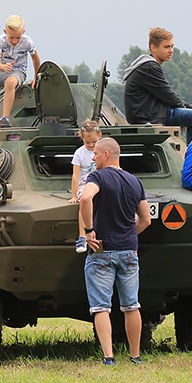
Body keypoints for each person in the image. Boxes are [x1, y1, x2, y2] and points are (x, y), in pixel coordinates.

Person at [79, 137, 152, 365]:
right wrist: (128, 236)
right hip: (129, 250)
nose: (93, 158)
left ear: (106, 155)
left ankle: (109, 357)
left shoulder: (98, 176)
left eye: (96, 154)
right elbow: (146, 220)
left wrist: (89, 231)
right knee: (131, 305)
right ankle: (135, 355)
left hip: (102, 251)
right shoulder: (134, 181)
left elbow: (86, 197)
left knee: (101, 306)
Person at [123, 27, 192, 144]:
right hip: (149, 118)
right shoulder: (149, 67)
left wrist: (185, 109)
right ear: (153, 48)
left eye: (172, 46)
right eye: (166, 47)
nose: (171, 50)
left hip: (152, 113)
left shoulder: (147, 66)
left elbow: (165, 96)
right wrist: (190, 108)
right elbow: (169, 96)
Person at [70, 119, 102, 254]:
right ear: (82, 138)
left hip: (101, 182)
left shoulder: (103, 150)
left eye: (94, 142)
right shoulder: (79, 153)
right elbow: (76, 175)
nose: (91, 145)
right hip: (86, 184)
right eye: (87, 142)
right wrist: (74, 195)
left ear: (100, 136)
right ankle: (82, 236)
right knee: (85, 200)